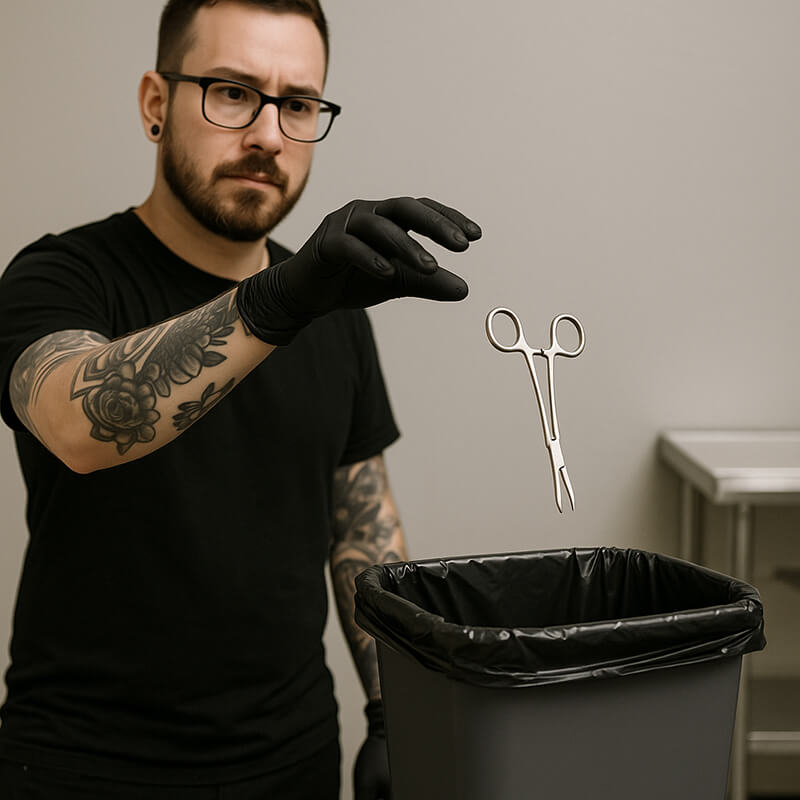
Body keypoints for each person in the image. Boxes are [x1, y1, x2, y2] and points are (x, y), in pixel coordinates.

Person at [0, 1, 481, 798]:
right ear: (157, 104)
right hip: (77, 767)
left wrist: (396, 711)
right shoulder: (59, 278)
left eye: (297, 104)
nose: (267, 134)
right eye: (232, 92)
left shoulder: (332, 306)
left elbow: (361, 528)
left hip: (291, 763)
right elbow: (78, 419)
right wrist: (275, 302)